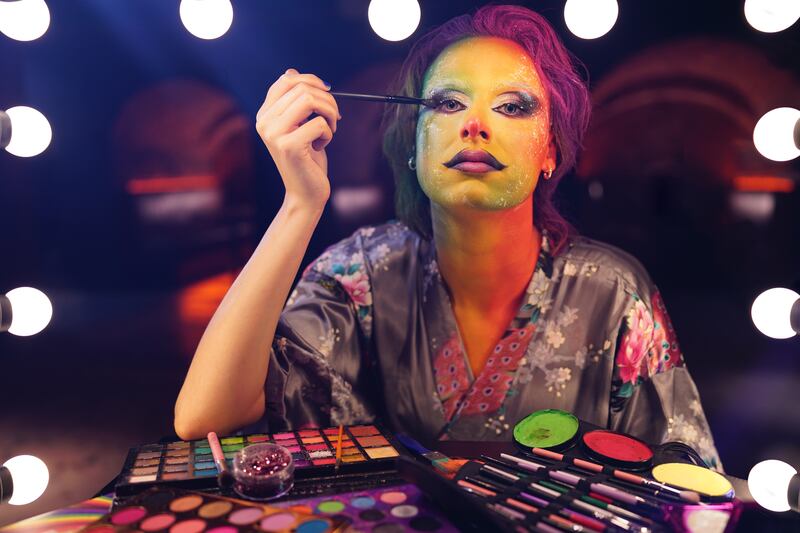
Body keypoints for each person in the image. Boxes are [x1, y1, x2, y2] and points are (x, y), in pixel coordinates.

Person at [174, 5, 721, 470]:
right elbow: (205, 417)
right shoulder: (357, 276)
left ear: (551, 151)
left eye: (512, 106)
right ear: (413, 143)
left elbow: (687, 482)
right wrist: (300, 204)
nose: (474, 124)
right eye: (447, 103)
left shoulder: (612, 292)